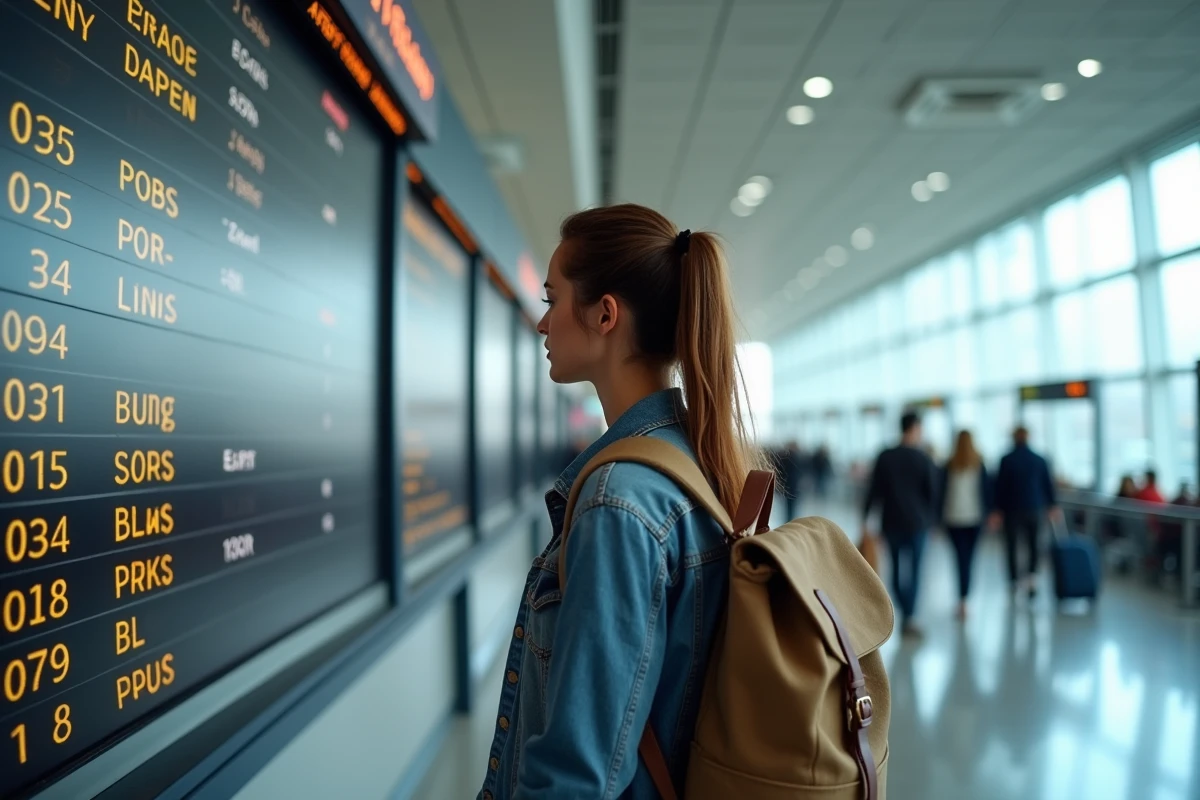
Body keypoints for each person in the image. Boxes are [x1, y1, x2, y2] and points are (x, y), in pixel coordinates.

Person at [480, 204, 767, 799]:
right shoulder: (697, 462)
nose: (543, 324)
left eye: (552, 300)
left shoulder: (618, 502)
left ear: (605, 314)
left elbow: (577, 777)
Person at [861, 411, 937, 637]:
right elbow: (932, 493)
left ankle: (903, 608)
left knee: (895, 568)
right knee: (914, 570)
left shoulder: (885, 456)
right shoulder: (923, 458)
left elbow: (874, 490)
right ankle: (909, 616)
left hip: (891, 521)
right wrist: (932, 521)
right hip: (917, 524)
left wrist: (865, 518)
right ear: (915, 428)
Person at [992, 426, 1060, 600]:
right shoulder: (1039, 459)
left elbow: (1000, 487)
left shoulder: (1006, 460)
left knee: (1012, 545)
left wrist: (997, 510)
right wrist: (1052, 506)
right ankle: (1031, 578)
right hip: (1034, 508)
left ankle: (1014, 580)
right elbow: (1048, 484)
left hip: (1012, 509)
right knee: (1033, 544)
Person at [939, 430, 993, 620]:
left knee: (960, 558)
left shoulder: (949, 465)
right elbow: (987, 492)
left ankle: (962, 598)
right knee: (969, 558)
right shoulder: (979, 465)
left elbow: (941, 493)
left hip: (953, 518)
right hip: (974, 519)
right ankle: (964, 598)